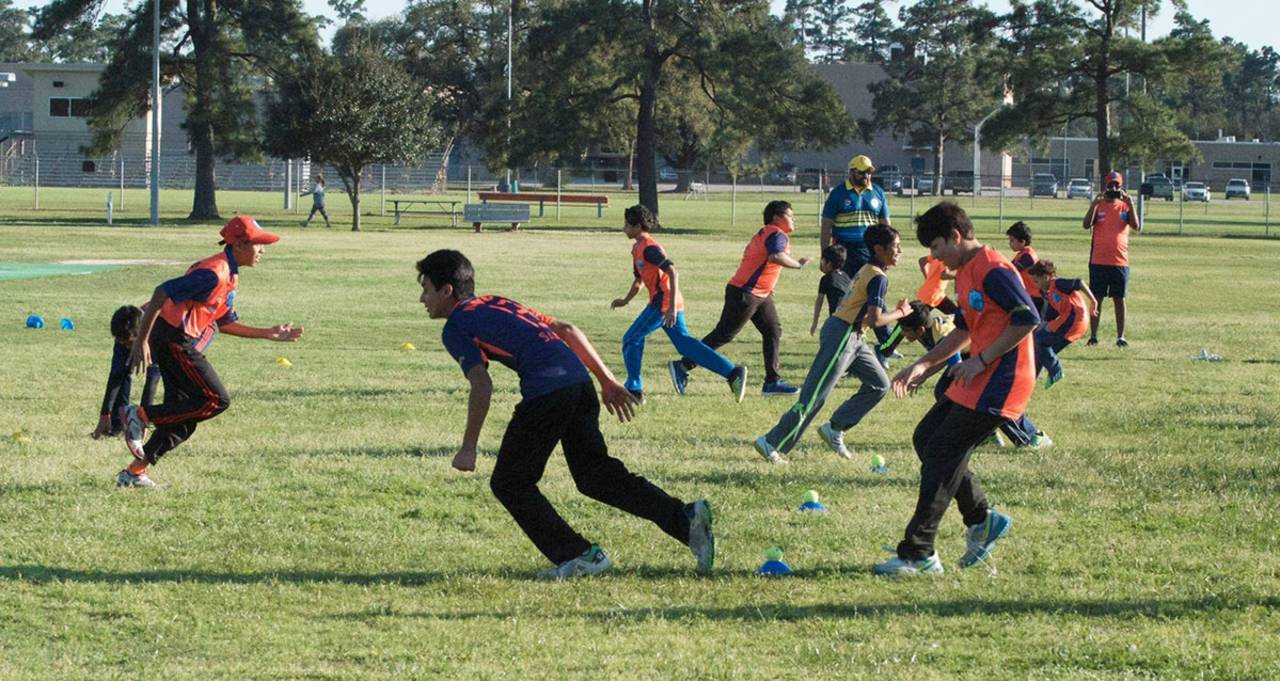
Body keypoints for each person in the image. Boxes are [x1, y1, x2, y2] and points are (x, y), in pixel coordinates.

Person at [417, 249, 715, 579]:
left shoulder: (456, 325)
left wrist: (469, 446)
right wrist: (606, 381)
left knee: (510, 483)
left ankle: (579, 556)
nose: (422, 299)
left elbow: (481, 385)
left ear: (447, 290)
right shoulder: (496, 302)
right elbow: (567, 329)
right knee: (595, 476)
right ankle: (686, 520)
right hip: (578, 385)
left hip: (549, 394)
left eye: (426, 289)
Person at [878, 202, 1038, 576]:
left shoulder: (995, 269)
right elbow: (964, 330)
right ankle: (981, 520)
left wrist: (982, 360)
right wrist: (922, 364)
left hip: (1002, 382)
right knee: (927, 439)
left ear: (955, 236)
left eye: (936, 248)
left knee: (943, 450)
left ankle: (919, 553)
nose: (933, 257)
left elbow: (1027, 319)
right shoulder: (965, 271)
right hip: (978, 378)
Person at [115, 216, 304, 488]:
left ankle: (134, 473)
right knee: (216, 399)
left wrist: (267, 333)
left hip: (177, 340)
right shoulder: (214, 272)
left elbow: (223, 322)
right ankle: (140, 416)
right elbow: (160, 293)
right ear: (238, 244)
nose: (263, 251)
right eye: (258, 245)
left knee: (185, 416)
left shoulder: (230, 274)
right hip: (172, 339)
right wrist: (142, 341)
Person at [753, 224, 909, 464]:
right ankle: (771, 442)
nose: (899, 251)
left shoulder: (869, 270)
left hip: (856, 337)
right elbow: (876, 319)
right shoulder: (877, 277)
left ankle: (835, 428)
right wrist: (900, 312)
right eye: (896, 246)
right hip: (842, 335)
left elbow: (867, 319)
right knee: (814, 395)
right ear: (879, 249)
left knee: (879, 384)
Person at [611, 204, 748, 403]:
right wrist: (625, 300)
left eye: (627, 224)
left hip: (664, 303)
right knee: (686, 346)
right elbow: (639, 280)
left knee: (631, 338)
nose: (624, 228)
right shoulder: (636, 249)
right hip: (664, 302)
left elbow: (673, 272)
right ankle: (732, 372)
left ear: (638, 226)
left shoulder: (650, 248)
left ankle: (634, 389)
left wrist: (671, 308)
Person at [672, 201, 810, 397]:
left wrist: (768, 287)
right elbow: (775, 257)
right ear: (776, 217)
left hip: (759, 294)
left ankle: (772, 382)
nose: (793, 219)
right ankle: (683, 365)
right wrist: (798, 265)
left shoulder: (766, 233)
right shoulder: (776, 234)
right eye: (790, 215)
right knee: (724, 334)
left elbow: (761, 262)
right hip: (745, 293)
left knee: (773, 331)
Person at [895, 301, 1051, 449]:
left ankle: (1031, 436)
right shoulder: (926, 330)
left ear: (920, 329)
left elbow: (952, 359)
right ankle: (986, 434)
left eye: (905, 329)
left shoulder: (939, 331)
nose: (902, 333)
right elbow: (943, 358)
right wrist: (923, 375)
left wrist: (925, 375)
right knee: (945, 391)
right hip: (972, 356)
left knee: (991, 402)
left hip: (985, 355)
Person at [91, 304, 218, 440]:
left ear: (142, 337)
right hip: (154, 324)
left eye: (128, 344)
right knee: (122, 369)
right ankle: (117, 425)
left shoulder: (158, 335)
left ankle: (171, 428)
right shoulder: (125, 331)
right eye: (121, 343)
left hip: (200, 327)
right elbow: (116, 375)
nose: (126, 347)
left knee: (177, 374)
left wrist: (144, 418)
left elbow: (152, 380)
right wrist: (105, 413)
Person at [820, 154, 894, 361]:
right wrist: (825, 255)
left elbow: (885, 224)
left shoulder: (877, 192)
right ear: (851, 171)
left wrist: (887, 253)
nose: (867, 176)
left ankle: (885, 344)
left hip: (870, 252)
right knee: (842, 297)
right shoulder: (838, 194)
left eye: (869, 172)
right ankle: (838, 342)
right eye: (862, 172)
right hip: (844, 252)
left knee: (876, 296)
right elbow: (826, 226)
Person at [1083, 170, 1141, 346]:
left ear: (1121, 186)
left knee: (1119, 299)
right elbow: (1086, 225)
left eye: (1117, 185)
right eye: (1110, 185)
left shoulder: (1125, 206)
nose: (1113, 188)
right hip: (1098, 261)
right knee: (1097, 299)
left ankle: (1120, 337)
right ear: (1105, 186)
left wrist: (1130, 203)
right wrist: (1094, 204)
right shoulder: (1099, 206)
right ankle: (1093, 336)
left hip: (1120, 261)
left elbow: (1137, 226)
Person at [1027, 260, 1099, 388]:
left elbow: (1079, 282)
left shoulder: (1057, 284)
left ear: (1045, 277)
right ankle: (1031, 380)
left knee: (1039, 340)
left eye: (1036, 281)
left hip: (1074, 320)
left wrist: (1093, 301)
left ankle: (1056, 370)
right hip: (1072, 323)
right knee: (1040, 347)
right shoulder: (1050, 294)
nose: (1036, 286)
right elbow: (1048, 319)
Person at [809, 244, 850, 335]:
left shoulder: (826, 279)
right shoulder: (845, 276)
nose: (821, 264)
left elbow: (819, 301)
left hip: (838, 317)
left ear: (829, 263)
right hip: (850, 314)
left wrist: (815, 322)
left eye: (822, 261)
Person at [1005, 221, 1042, 314]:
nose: (1010, 243)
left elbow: (1011, 270)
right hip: (1028, 295)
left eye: (1012, 240)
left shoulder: (1028, 256)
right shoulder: (1022, 254)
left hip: (1035, 297)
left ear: (1022, 241)